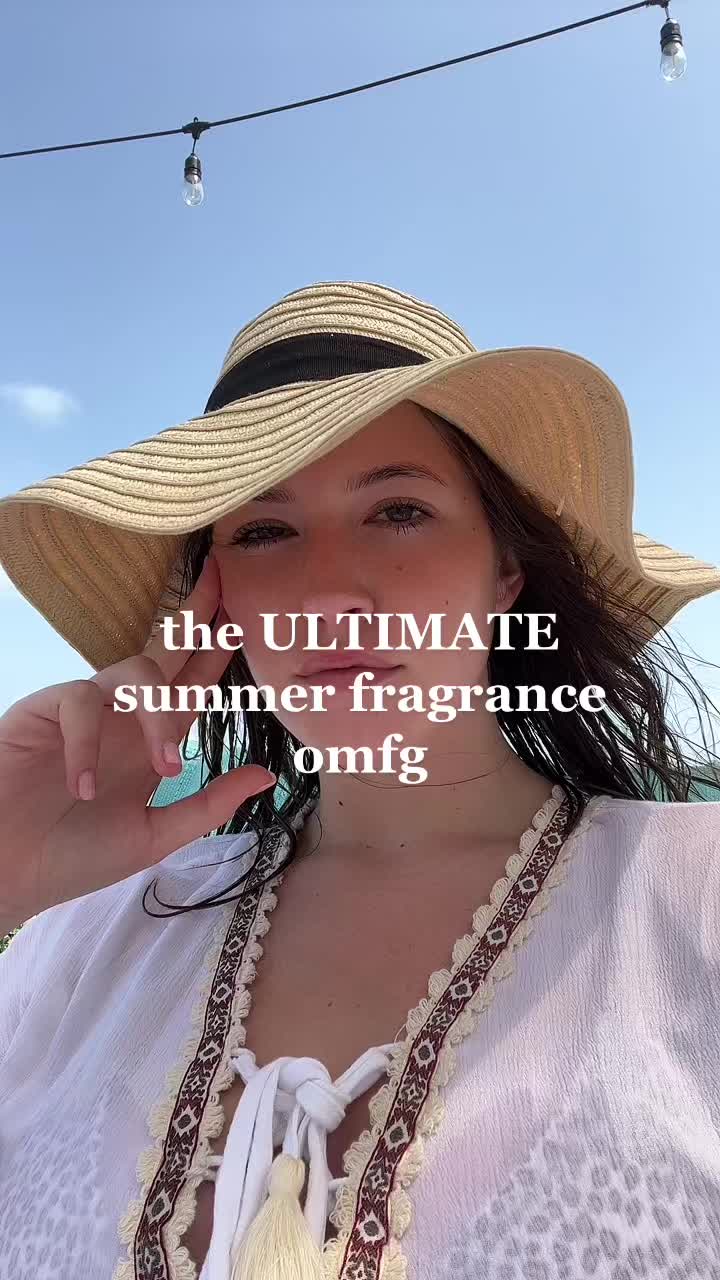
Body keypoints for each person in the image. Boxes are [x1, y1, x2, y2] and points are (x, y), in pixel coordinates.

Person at [0, 279, 719, 1280]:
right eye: (264, 531)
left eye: (399, 509)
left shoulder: (692, 894)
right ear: (217, 604)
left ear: (506, 571)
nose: (330, 591)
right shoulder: (79, 940)